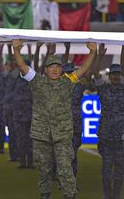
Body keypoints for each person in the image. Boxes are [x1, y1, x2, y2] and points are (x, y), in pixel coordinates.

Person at [12, 39, 97, 199]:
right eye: (51, 66)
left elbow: (84, 69)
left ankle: (70, 195)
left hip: (63, 135)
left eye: (58, 66)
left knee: (65, 169)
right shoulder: (36, 81)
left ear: (62, 70)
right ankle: (45, 195)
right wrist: (16, 49)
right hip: (41, 135)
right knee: (44, 171)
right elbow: (22, 66)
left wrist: (92, 52)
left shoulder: (68, 82)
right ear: (45, 69)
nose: (55, 69)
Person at [94, 44, 124, 199]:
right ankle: (107, 195)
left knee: (120, 169)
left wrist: (122, 48)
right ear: (109, 75)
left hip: (120, 137)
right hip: (105, 136)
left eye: (118, 74)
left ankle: (116, 195)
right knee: (106, 168)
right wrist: (99, 56)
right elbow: (95, 74)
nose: (116, 76)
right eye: (113, 74)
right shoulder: (104, 88)